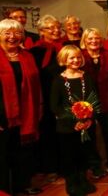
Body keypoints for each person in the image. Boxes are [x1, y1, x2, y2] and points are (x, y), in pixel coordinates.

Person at [0, 19, 42, 195]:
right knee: (1, 156)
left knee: (22, 154)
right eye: (7, 33)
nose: (12, 37)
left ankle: (20, 187)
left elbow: (36, 86)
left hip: (26, 114)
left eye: (17, 33)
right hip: (2, 116)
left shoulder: (28, 56)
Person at [51, 45, 98, 195]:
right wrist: (73, 122)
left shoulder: (86, 77)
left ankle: (83, 180)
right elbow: (55, 105)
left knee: (84, 153)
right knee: (69, 155)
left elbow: (94, 99)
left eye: (78, 57)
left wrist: (90, 118)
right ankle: (72, 183)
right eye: (72, 58)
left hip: (86, 124)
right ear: (64, 59)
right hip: (67, 126)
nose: (75, 60)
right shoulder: (59, 80)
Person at [80, 28, 108, 177]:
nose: (94, 41)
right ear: (84, 40)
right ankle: (95, 166)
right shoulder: (80, 56)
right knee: (91, 137)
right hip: (87, 104)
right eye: (90, 38)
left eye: (97, 38)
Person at [30, 14, 63, 181]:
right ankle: (51, 167)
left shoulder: (65, 48)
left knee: (65, 133)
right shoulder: (34, 52)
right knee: (48, 134)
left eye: (57, 27)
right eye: (51, 28)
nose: (56, 30)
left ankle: (65, 165)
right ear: (41, 31)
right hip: (46, 99)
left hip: (64, 99)